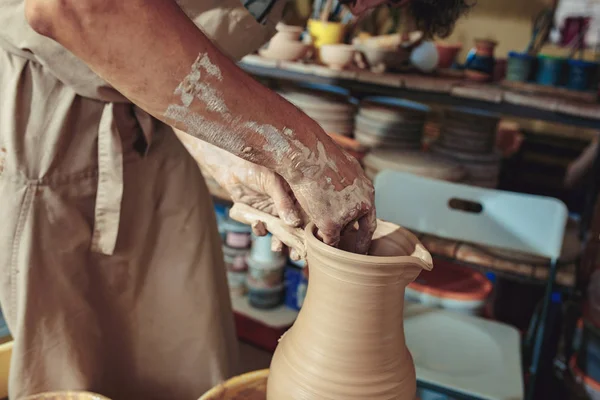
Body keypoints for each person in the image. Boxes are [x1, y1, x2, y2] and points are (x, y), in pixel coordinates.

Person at [0, 0, 471, 398]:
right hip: (56, 134)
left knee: (186, 352)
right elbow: (79, 7)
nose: (365, 11)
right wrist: (299, 150)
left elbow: (158, 55)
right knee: (77, 360)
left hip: (158, 141)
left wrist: (227, 153)